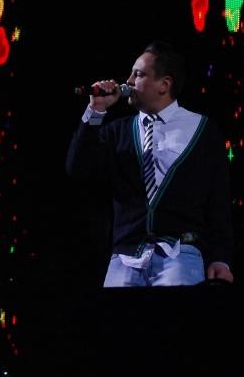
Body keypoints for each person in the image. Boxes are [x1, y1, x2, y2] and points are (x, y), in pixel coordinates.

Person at [66, 41, 234, 286]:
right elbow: (77, 167)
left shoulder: (203, 129)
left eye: (139, 74)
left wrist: (221, 258)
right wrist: (96, 111)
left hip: (180, 255)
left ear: (164, 84)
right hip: (125, 257)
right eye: (131, 73)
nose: (128, 81)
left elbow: (218, 199)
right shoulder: (118, 131)